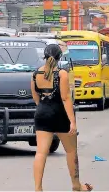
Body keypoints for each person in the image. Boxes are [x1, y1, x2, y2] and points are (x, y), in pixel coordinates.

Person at [31, 44, 92, 192]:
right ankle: (76, 185)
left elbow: (35, 97)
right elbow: (65, 99)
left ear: (45, 56)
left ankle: (38, 189)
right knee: (71, 151)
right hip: (60, 115)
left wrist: (44, 107)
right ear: (59, 57)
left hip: (42, 114)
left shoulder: (35, 74)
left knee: (40, 153)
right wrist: (72, 122)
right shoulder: (61, 74)